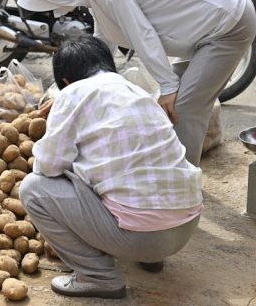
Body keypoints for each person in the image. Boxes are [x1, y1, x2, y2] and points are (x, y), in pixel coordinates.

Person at [17, 0, 256, 166]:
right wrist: (68, 93)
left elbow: (142, 33)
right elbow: (103, 45)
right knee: (168, 107)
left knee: (182, 110)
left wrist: (168, 85)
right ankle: (173, 176)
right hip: (206, 27)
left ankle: (183, 190)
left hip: (228, 22)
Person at [19, 36, 202, 299]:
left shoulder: (72, 94)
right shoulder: (138, 91)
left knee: (34, 189)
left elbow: (47, 166)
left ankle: (98, 276)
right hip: (186, 227)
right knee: (117, 169)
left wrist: (59, 124)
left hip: (143, 235)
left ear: (66, 80)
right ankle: (150, 257)